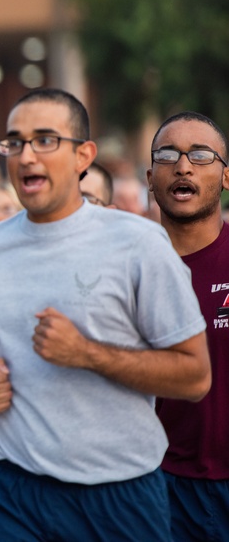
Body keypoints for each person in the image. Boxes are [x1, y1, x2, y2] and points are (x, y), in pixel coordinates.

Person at [0, 88, 211, 541]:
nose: (27, 155)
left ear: (83, 155)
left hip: (120, 492)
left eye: (46, 140)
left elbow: (194, 376)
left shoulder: (140, 244)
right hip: (10, 489)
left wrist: (88, 353)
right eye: (15, 142)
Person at [146, 111, 229, 541]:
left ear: (226, 176)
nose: (183, 165)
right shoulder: (124, 270)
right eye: (168, 155)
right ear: (149, 177)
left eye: (200, 155)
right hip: (154, 487)